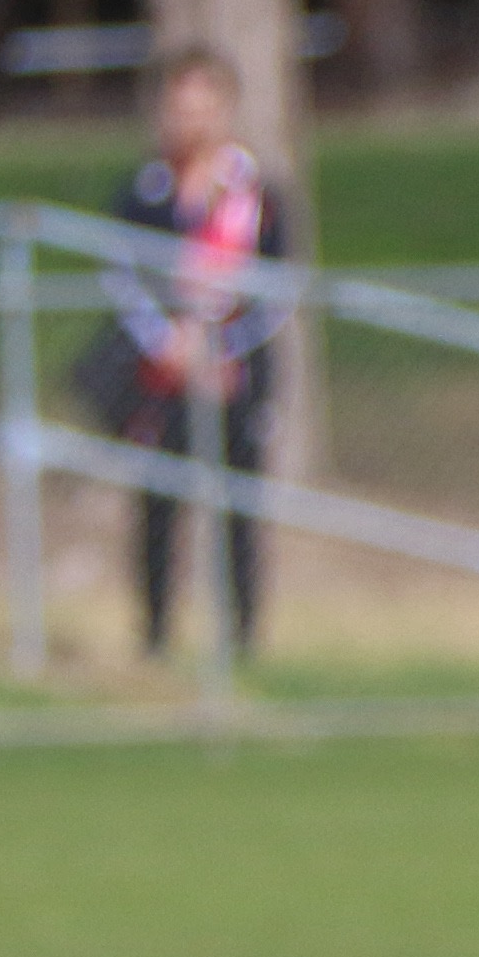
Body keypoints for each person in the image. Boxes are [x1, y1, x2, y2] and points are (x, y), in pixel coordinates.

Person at [99, 43, 291, 663]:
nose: (190, 120)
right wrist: (168, 343)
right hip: (162, 377)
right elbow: (120, 278)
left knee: (239, 508)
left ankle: (242, 640)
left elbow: (279, 292)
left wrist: (221, 348)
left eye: (204, 107)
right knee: (157, 507)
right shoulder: (144, 192)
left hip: (234, 375)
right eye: (179, 107)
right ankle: (154, 635)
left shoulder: (256, 194)